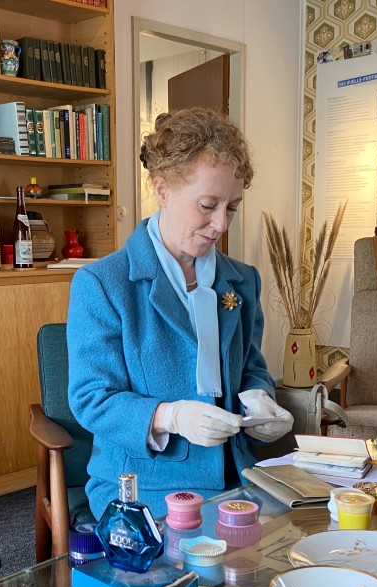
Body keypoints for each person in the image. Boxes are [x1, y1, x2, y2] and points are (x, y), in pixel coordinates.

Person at [66, 107, 294, 519]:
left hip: (238, 478)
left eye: (232, 207)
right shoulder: (102, 283)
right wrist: (171, 416)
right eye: (207, 205)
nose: (221, 224)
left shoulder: (243, 280)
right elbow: (91, 400)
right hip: (145, 486)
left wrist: (259, 400)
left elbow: (251, 369)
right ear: (162, 190)